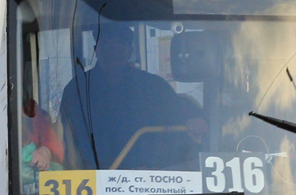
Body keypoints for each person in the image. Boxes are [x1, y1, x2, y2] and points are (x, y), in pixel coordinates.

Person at [58, 24, 207, 170]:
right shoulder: (76, 90)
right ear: (96, 50)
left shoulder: (153, 87)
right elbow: (64, 138)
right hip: (91, 184)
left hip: (145, 181)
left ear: (129, 51)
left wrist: (193, 119)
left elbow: (179, 112)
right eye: (107, 46)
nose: (113, 53)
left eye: (120, 47)